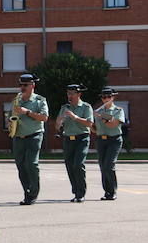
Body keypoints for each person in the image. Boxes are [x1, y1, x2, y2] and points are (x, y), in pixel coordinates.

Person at [10, 73, 49, 205]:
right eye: (21, 85)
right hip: (19, 137)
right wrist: (11, 123)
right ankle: (27, 193)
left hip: (34, 135)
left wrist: (27, 112)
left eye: (25, 85)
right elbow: (12, 116)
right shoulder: (17, 99)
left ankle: (33, 192)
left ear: (33, 85)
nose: (22, 87)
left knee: (31, 164)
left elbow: (44, 118)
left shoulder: (40, 100)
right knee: (21, 165)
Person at [56, 83, 94, 203]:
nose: (69, 96)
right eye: (68, 93)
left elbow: (89, 123)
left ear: (79, 94)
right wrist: (59, 122)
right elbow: (57, 126)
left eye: (72, 93)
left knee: (78, 164)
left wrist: (75, 117)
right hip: (68, 138)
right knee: (70, 166)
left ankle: (80, 192)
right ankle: (76, 190)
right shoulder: (64, 107)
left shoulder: (86, 107)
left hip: (82, 138)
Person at [94, 87, 124, 201]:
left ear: (113, 97)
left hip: (114, 140)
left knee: (108, 165)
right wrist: (88, 122)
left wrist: (101, 116)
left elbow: (113, 124)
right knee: (103, 166)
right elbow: (95, 129)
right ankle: (107, 192)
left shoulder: (118, 110)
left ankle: (112, 191)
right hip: (101, 140)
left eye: (108, 97)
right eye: (104, 97)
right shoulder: (99, 111)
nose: (106, 99)